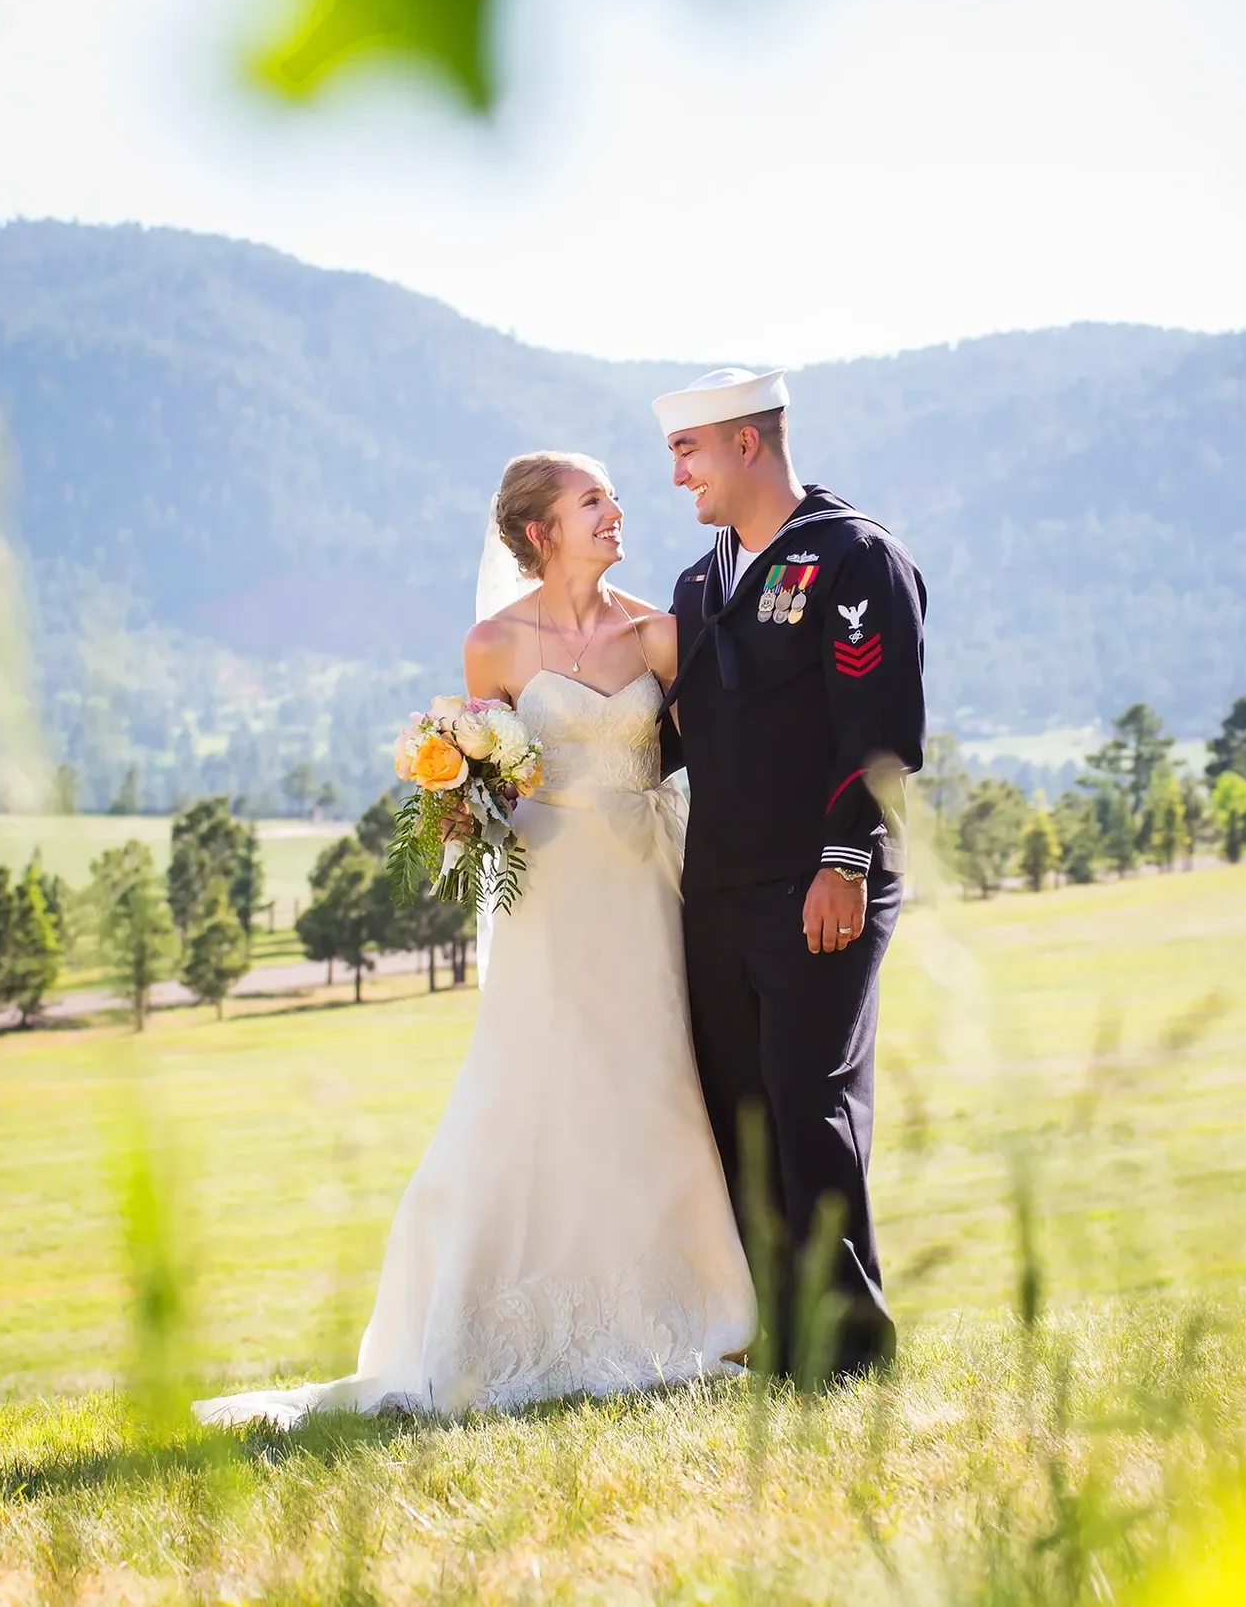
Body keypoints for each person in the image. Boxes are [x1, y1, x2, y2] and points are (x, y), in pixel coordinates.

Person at [194, 451, 754, 1427]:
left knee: (652, 1078)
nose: (618, 511)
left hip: (640, 889)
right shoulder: (493, 646)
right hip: (546, 900)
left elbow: (709, 745)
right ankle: (493, 1320)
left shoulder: (660, 634)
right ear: (541, 532)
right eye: (594, 501)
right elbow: (485, 776)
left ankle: (684, 1307)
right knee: (539, 1084)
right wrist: (457, 805)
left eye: (612, 497)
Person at [658, 367, 928, 1383]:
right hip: (717, 887)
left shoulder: (852, 555)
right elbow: (681, 733)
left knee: (808, 1100)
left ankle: (852, 1348)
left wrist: (844, 857)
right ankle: (784, 1334)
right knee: (741, 1112)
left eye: (688, 451)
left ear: (744, 444)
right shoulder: (698, 582)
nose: (676, 474)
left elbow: (879, 732)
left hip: (822, 878)